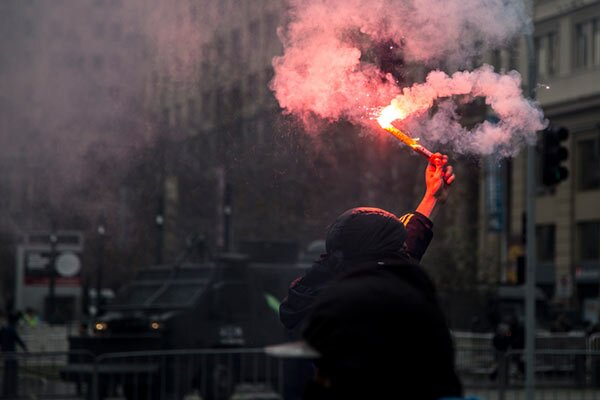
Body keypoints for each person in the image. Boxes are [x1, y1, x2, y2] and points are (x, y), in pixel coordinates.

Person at [280, 153, 454, 334]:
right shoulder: (348, 314)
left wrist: (432, 197)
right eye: (397, 251)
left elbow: (405, 252)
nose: (404, 256)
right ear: (373, 262)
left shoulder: (350, 273)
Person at [0, 312, 28, 397]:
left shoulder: (4, 329)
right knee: (13, 372)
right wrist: (25, 349)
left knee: (7, 372)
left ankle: (6, 390)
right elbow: (18, 340)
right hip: (11, 353)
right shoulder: (12, 329)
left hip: (5, 353)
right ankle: (12, 391)